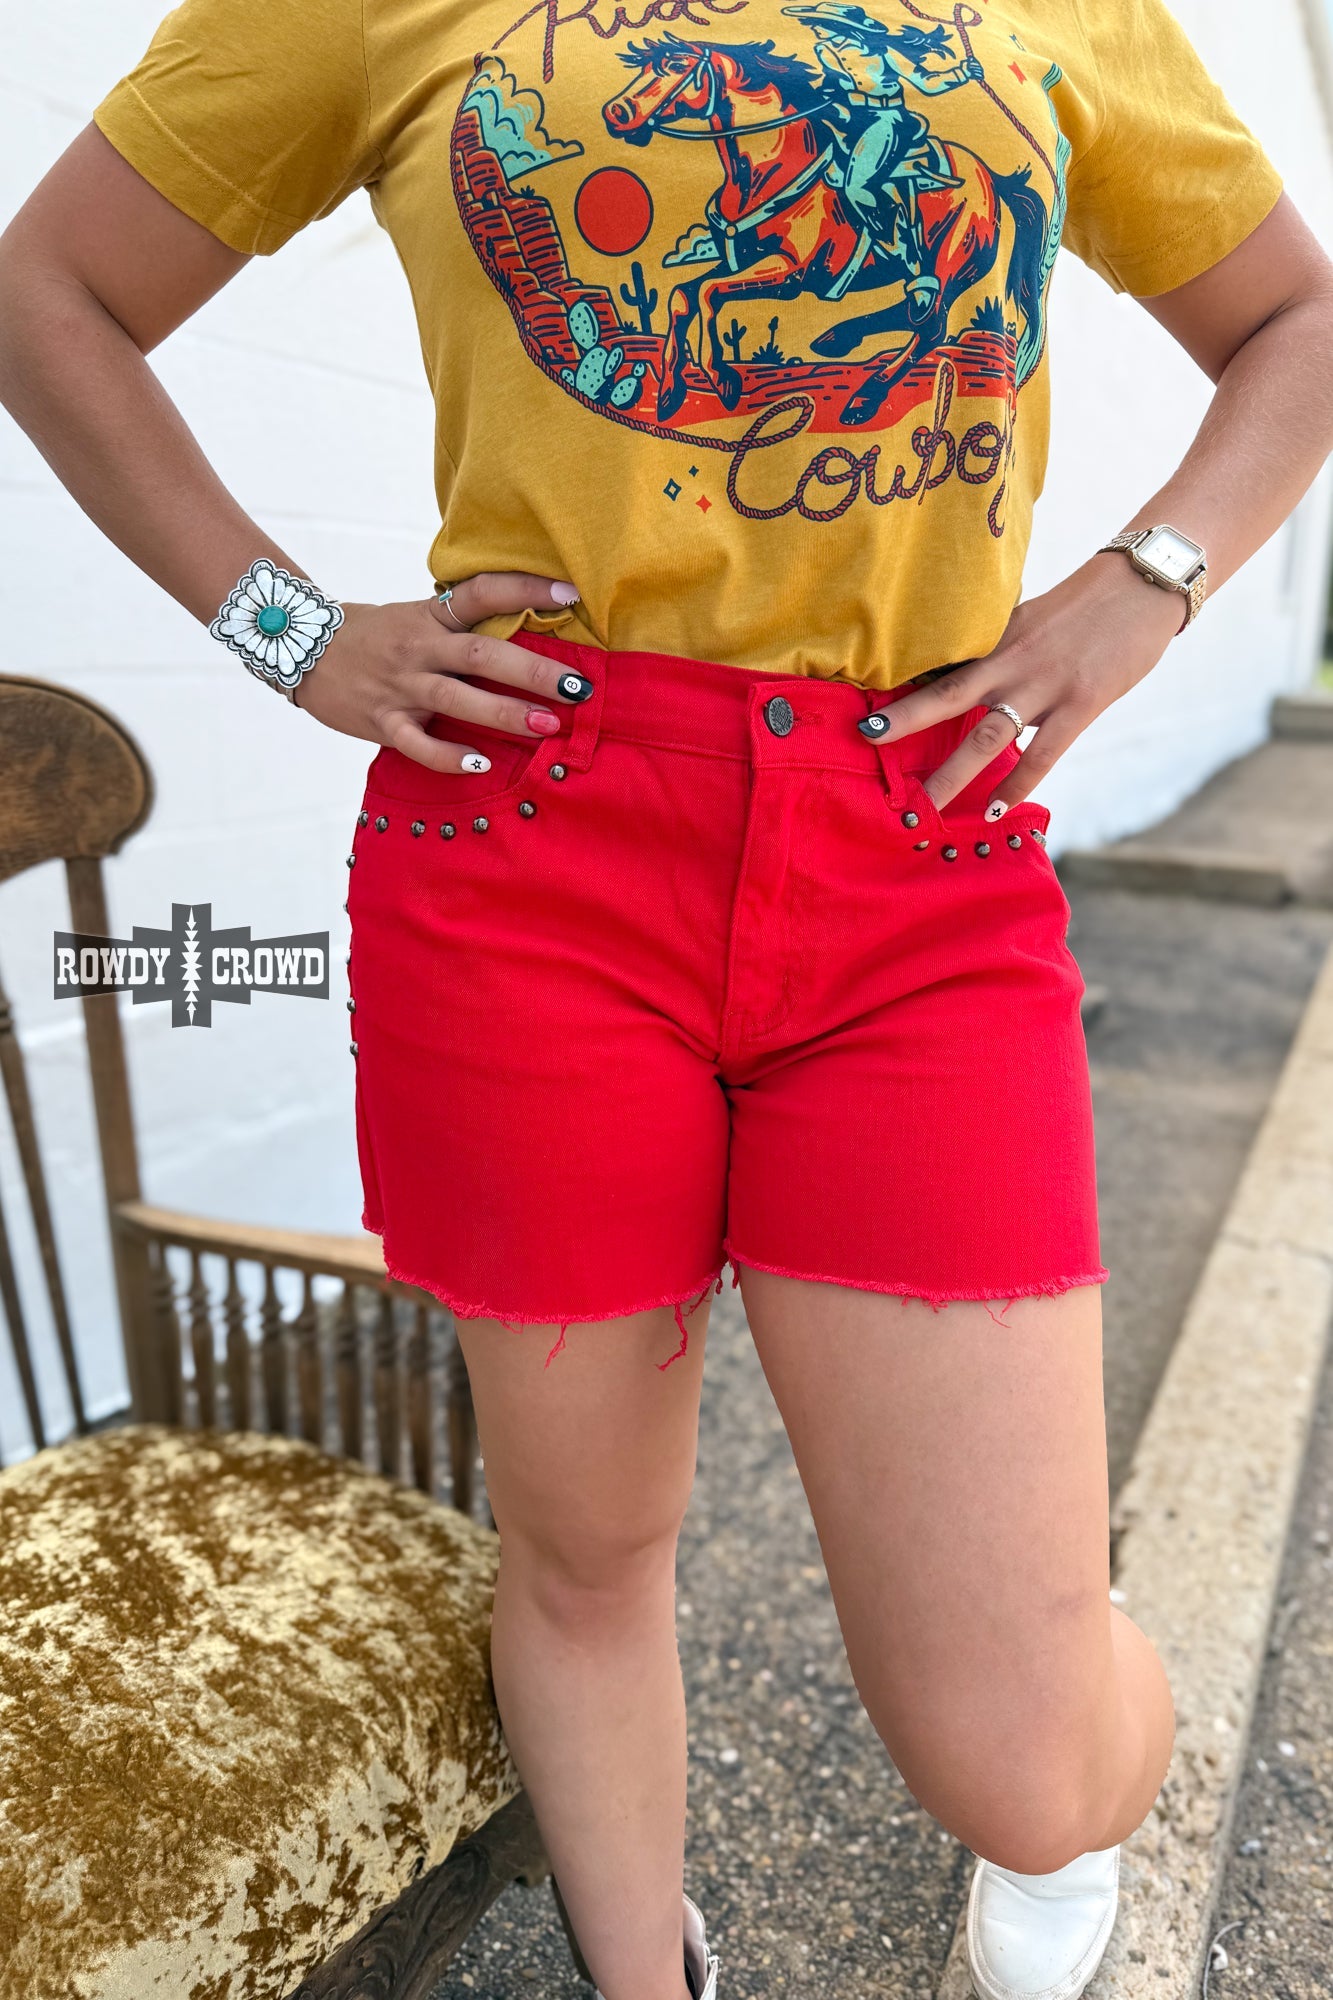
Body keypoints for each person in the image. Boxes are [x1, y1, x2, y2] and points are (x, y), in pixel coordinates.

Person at [1, 4, 1330, 1998]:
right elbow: (52, 291)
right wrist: (291, 632)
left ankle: (1061, 1746)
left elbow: (1296, 320)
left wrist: (1147, 581)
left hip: (911, 837)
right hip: (531, 846)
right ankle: (648, 1970)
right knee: (590, 1547)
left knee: (1027, 1754)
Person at [791, 3, 980, 315]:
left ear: (840, 27)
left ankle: (907, 254)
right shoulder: (825, 50)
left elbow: (926, 81)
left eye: (818, 22)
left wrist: (962, 73)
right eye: (813, 22)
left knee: (856, 187)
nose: (813, 27)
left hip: (887, 120)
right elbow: (831, 87)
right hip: (848, 118)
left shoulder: (882, 51)